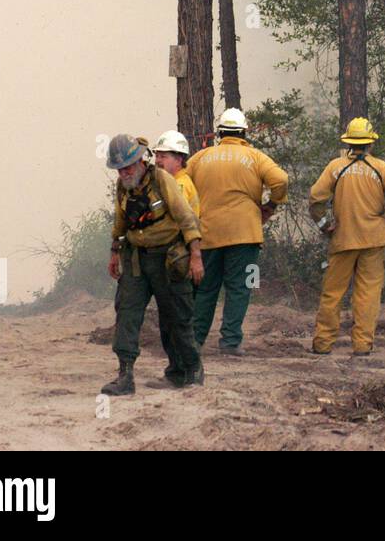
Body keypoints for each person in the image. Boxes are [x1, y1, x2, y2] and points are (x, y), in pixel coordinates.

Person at [102, 134, 204, 395]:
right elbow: (120, 221)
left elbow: (186, 218)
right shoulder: (122, 186)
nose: (124, 172)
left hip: (168, 257)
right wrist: (115, 252)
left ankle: (192, 370)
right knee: (127, 312)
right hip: (135, 257)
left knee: (177, 315)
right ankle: (125, 376)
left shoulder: (161, 180)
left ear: (139, 160)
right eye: (120, 168)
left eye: (128, 166)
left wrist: (196, 256)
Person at [186, 108, 288, 356]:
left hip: (208, 233)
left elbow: (181, 184)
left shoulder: (200, 158)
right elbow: (281, 180)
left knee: (205, 288)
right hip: (245, 234)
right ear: (244, 132)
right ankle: (230, 342)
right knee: (239, 287)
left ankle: (195, 340)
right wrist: (270, 205)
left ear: (219, 133)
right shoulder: (255, 157)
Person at [308, 117, 385, 357]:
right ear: (370, 143)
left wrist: (324, 225)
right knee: (368, 294)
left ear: (349, 143)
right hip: (374, 240)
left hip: (342, 239)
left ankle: (322, 344)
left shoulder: (336, 167)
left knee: (333, 293)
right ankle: (362, 345)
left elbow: (315, 198)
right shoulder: (381, 167)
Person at [150, 130, 205, 386]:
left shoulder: (179, 185)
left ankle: (190, 372)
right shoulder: (169, 183)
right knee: (170, 319)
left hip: (177, 260)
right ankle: (177, 372)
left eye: (164, 156)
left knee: (179, 320)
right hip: (169, 260)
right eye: (157, 155)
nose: (158, 160)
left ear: (179, 159)